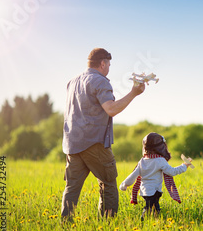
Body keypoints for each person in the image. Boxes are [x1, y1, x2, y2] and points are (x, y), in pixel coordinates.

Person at [61, 48, 146, 219]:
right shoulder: (100, 81)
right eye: (108, 64)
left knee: (71, 188)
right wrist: (134, 93)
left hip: (72, 144)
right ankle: (107, 225)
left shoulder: (72, 82)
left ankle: (65, 225)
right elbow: (111, 109)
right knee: (108, 184)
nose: (108, 68)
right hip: (94, 143)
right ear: (102, 63)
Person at [119, 132, 192, 219]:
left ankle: (151, 220)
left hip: (144, 191)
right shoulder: (160, 160)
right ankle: (145, 220)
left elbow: (133, 175)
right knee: (152, 209)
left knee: (152, 207)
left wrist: (124, 184)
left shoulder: (142, 160)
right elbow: (172, 172)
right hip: (154, 191)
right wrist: (184, 165)